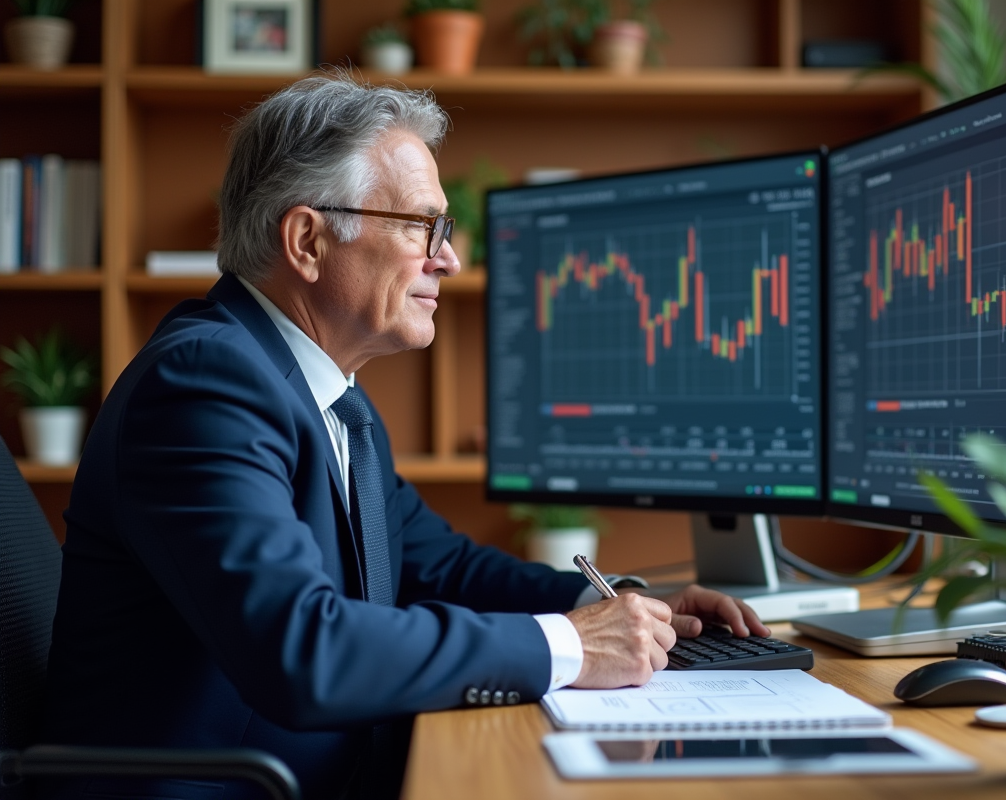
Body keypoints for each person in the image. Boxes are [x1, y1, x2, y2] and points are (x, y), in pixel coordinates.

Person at [39, 72, 769, 800]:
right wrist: (574, 646)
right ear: (308, 240)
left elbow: (439, 567)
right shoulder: (205, 384)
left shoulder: (330, 396)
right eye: (425, 227)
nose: (448, 258)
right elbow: (304, 652)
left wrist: (631, 606)